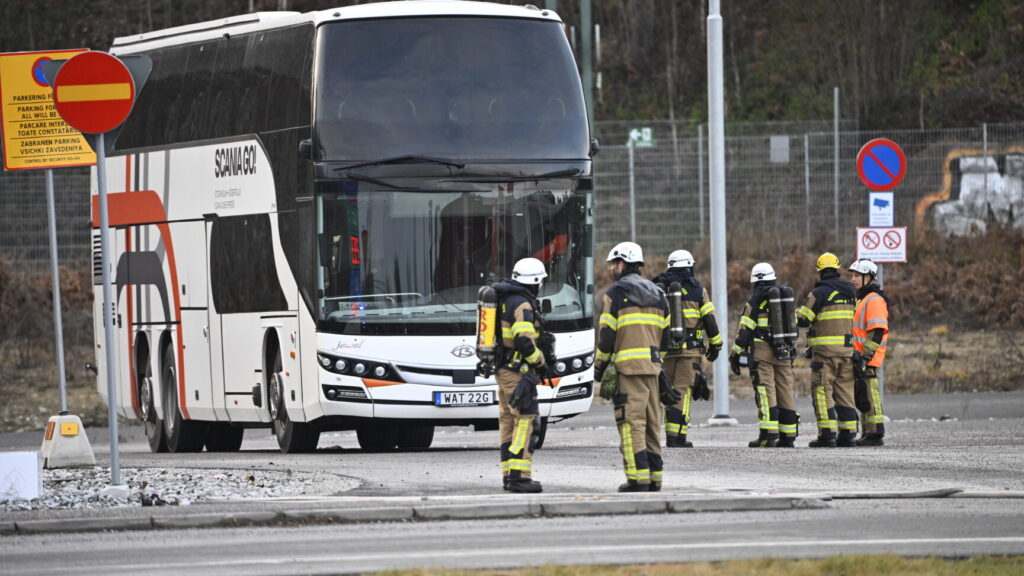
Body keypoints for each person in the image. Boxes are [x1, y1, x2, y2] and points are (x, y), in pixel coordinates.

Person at [594, 241, 672, 492]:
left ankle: (638, 479)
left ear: (622, 263)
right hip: (653, 369)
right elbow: (666, 337)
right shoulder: (659, 294)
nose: (612, 268)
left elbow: (606, 335)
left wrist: (600, 366)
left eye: (614, 263)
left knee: (631, 424)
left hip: (627, 371)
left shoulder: (615, 294)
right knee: (652, 424)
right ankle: (655, 478)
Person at [652, 249, 722, 447]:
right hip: (689, 352)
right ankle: (677, 437)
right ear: (689, 266)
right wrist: (715, 345)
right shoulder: (698, 289)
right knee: (682, 392)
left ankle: (670, 435)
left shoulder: (657, 286)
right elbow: (709, 319)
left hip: (664, 350)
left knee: (666, 392)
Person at [729, 262, 799, 448]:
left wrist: (735, 354)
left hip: (762, 355)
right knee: (786, 391)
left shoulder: (755, 301)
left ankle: (768, 435)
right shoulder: (783, 298)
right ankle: (789, 436)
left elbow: (745, 331)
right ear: (773, 278)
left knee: (766, 392)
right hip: (785, 352)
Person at [495, 257, 550, 492]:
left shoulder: (505, 300)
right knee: (526, 420)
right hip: (518, 373)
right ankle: (520, 476)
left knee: (508, 421)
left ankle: (509, 474)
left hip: (504, 370)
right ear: (536, 282)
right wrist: (541, 361)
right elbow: (524, 340)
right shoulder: (523, 305)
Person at [797, 252, 858, 448]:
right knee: (845, 392)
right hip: (848, 353)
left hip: (824, 355)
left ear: (820, 271)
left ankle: (827, 435)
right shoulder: (851, 292)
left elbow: (803, 319)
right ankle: (848, 435)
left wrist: (799, 310)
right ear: (837, 269)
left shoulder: (819, 293)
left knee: (822, 392)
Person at [849, 258, 890, 447]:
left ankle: (875, 434)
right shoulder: (862, 299)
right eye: (852, 275)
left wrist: (866, 357)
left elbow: (877, 331)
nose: (853, 279)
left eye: (857, 275)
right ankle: (867, 433)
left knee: (870, 393)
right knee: (863, 394)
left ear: (868, 277)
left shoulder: (873, 300)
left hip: (868, 357)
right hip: (859, 356)